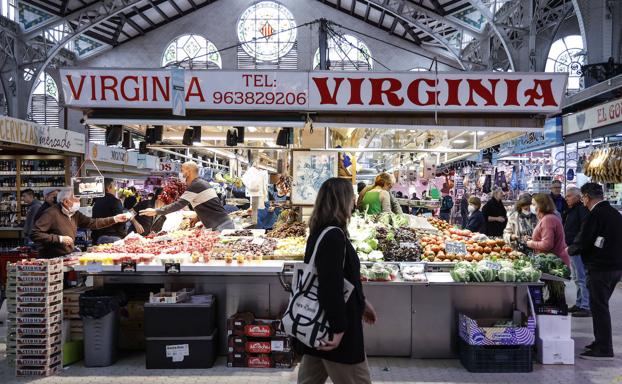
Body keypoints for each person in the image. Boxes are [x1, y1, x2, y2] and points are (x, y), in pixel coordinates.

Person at [298, 178, 376, 384]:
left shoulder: (320, 232)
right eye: (351, 198)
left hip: (316, 321)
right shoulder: (334, 236)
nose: (354, 203)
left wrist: (362, 301)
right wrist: (339, 329)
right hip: (335, 326)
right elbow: (329, 287)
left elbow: (338, 278)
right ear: (342, 201)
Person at [567, 183, 622, 360]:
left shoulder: (595, 215)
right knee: (601, 306)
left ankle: (604, 347)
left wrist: (570, 250)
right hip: (615, 268)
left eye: (583, 198)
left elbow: (585, 239)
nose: (583, 201)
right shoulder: (615, 214)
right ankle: (600, 342)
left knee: (599, 308)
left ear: (587, 197)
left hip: (600, 268)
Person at [31, 189, 129, 258]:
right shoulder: (51, 213)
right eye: (76, 200)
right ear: (66, 201)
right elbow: (35, 234)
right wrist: (60, 238)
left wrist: (114, 219)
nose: (79, 202)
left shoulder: (74, 214)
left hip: (66, 256)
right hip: (51, 258)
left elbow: (93, 223)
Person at [140, 161, 233, 230]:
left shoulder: (196, 185)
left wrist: (156, 211)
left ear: (188, 171)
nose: (181, 173)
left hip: (221, 226)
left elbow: (179, 204)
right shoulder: (202, 183)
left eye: (182, 170)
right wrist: (198, 217)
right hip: (221, 224)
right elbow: (208, 205)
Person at [563, 187, 591, 318]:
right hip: (572, 248)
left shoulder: (581, 210)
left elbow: (584, 230)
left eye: (569, 196)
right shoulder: (572, 209)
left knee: (581, 278)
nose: (566, 198)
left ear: (577, 197)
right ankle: (579, 303)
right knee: (576, 278)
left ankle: (585, 306)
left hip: (577, 248)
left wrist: (576, 244)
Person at [526, 193, 570, 266]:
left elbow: (547, 245)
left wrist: (530, 243)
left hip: (554, 262)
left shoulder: (548, 219)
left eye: (534, 204)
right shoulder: (547, 218)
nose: (531, 207)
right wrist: (533, 239)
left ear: (541, 205)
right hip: (551, 260)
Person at [91, 179, 127, 244]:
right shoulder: (115, 201)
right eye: (114, 187)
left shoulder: (96, 201)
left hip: (98, 237)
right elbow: (120, 220)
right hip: (112, 237)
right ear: (109, 187)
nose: (115, 189)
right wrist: (123, 235)